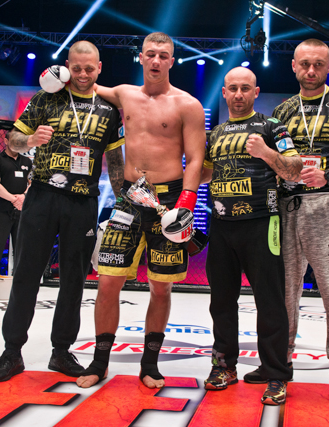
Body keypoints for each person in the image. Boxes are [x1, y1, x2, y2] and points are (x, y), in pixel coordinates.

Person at [0, 41, 125, 383]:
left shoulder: (109, 109)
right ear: (67, 65)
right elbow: (13, 140)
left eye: (89, 68)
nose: (82, 74)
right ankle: (12, 352)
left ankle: (61, 351)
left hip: (83, 201)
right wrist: (31, 140)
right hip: (43, 196)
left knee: (74, 280)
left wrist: (123, 201)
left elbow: (115, 161)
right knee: (26, 275)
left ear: (99, 68)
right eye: (76, 68)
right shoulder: (46, 97)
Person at [76, 32, 206, 390]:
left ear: (172, 61)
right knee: (107, 281)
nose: (156, 60)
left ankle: (150, 365)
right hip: (130, 198)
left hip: (170, 200)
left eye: (163, 55)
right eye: (151, 54)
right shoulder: (124, 94)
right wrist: (59, 74)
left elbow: (196, 158)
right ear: (141, 57)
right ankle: (99, 361)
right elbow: (85, 82)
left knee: (161, 288)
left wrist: (187, 202)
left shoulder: (188, 104)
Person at [246, 38, 329, 410]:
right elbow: (273, 162)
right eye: (305, 64)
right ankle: (280, 364)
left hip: (326, 204)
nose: (311, 70)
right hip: (287, 206)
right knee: (285, 294)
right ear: (294, 66)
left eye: (318, 64)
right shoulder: (282, 110)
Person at [200, 67, 302, 405]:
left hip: (262, 223)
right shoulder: (215, 133)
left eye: (245, 88)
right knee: (221, 301)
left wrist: (267, 153)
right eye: (233, 88)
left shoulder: (272, 127)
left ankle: (276, 374)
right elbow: (205, 173)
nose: (239, 94)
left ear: (256, 92)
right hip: (222, 225)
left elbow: (295, 169)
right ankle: (223, 366)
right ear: (224, 93)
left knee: (270, 301)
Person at [0, 131, 32, 292]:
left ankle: (21, 282)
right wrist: (13, 199)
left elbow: (31, 183)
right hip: (3, 209)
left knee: (21, 247)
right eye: (14, 140)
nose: (17, 143)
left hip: (22, 209)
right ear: (5, 141)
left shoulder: (26, 161)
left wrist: (23, 197)